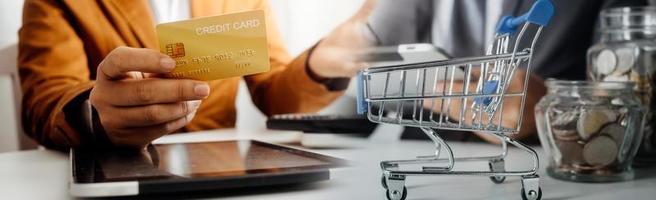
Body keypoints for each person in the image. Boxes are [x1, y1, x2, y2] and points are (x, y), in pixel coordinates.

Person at [18, 0, 375, 150]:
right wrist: (91, 114)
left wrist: (318, 66)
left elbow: (272, 93)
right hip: (114, 166)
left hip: (223, 169)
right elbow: (44, 97)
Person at [366, 0, 648, 143]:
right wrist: (321, 68)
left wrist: (553, 108)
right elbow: (352, 103)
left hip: (538, 166)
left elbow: (630, 100)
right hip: (422, 150)